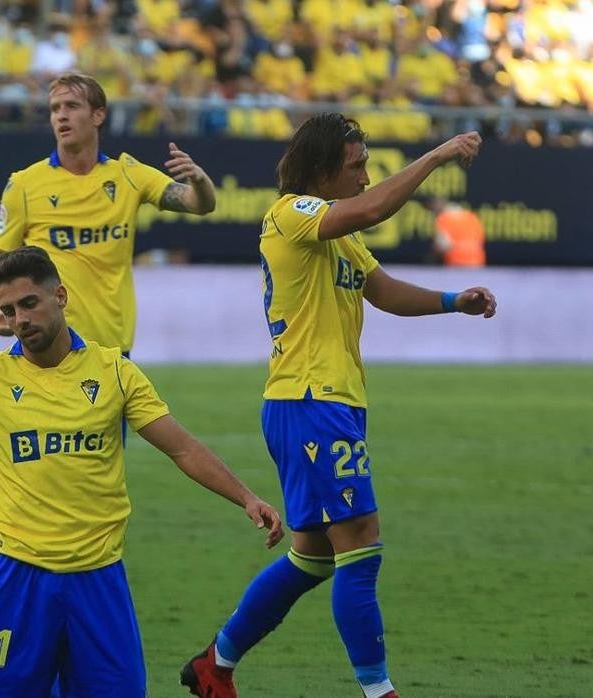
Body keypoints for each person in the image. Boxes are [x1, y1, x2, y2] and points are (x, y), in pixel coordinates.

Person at [0, 246, 284, 697]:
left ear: (59, 297)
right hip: (20, 578)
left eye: (29, 304)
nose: (20, 320)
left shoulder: (114, 372)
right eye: (8, 311)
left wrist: (245, 496)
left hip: (99, 579)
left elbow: (181, 448)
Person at [180, 114, 497, 698]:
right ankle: (380, 693)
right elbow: (374, 209)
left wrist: (455, 300)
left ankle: (214, 665)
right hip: (310, 402)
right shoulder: (291, 213)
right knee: (362, 542)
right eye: (357, 165)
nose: (365, 175)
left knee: (314, 558)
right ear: (323, 169)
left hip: (329, 403)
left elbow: (382, 292)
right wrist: (437, 156)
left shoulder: (338, 234)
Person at [0, 72, 217, 355]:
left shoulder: (128, 175)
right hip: (51, 347)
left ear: (98, 116)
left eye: (72, 106)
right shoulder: (24, 184)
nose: (61, 116)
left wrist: (200, 181)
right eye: (55, 109)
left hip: (113, 347)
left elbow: (198, 204)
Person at [428, 196, 486, 267]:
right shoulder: (471, 216)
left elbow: (443, 246)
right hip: (477, 261)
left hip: (456, 263)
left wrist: (431, 258)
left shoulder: (443, 219)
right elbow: (481, 238)